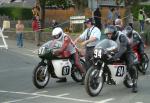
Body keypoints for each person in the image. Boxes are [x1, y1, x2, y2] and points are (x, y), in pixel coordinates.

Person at [104, 25, 138, 93]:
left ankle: (134, 84)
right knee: (106, 60)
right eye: (107, 34)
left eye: (110, 33)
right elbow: (106, 46)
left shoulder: (121, 36)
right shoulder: (109, 38)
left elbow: (123, 48)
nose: (109, 35)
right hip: (117, 52)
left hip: (127, 52)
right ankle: (110, 77)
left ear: (114, 33)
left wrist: (115, 57)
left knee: (130, 66)